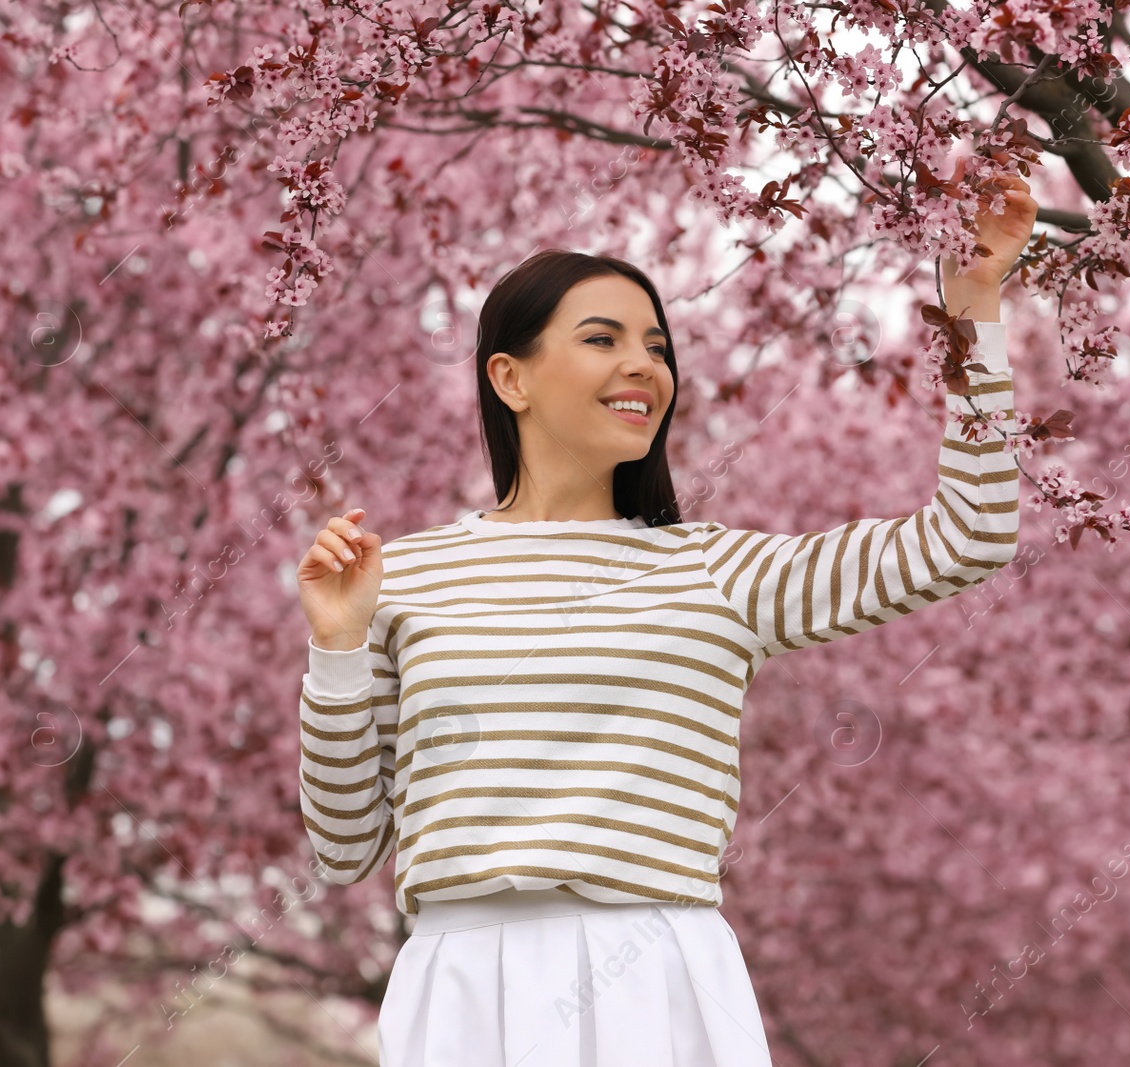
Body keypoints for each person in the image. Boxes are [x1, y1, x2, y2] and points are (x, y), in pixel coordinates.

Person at [294, 165, 1037, 1067]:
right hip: (460, 988)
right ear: (510, 378)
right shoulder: (402, 577)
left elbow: (970, 535)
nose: (643, 365)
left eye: (656, 345)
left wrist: (970, 309)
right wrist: (336, 647)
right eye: (602, 339)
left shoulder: (717, 572)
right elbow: (344, 847)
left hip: (656, 978)